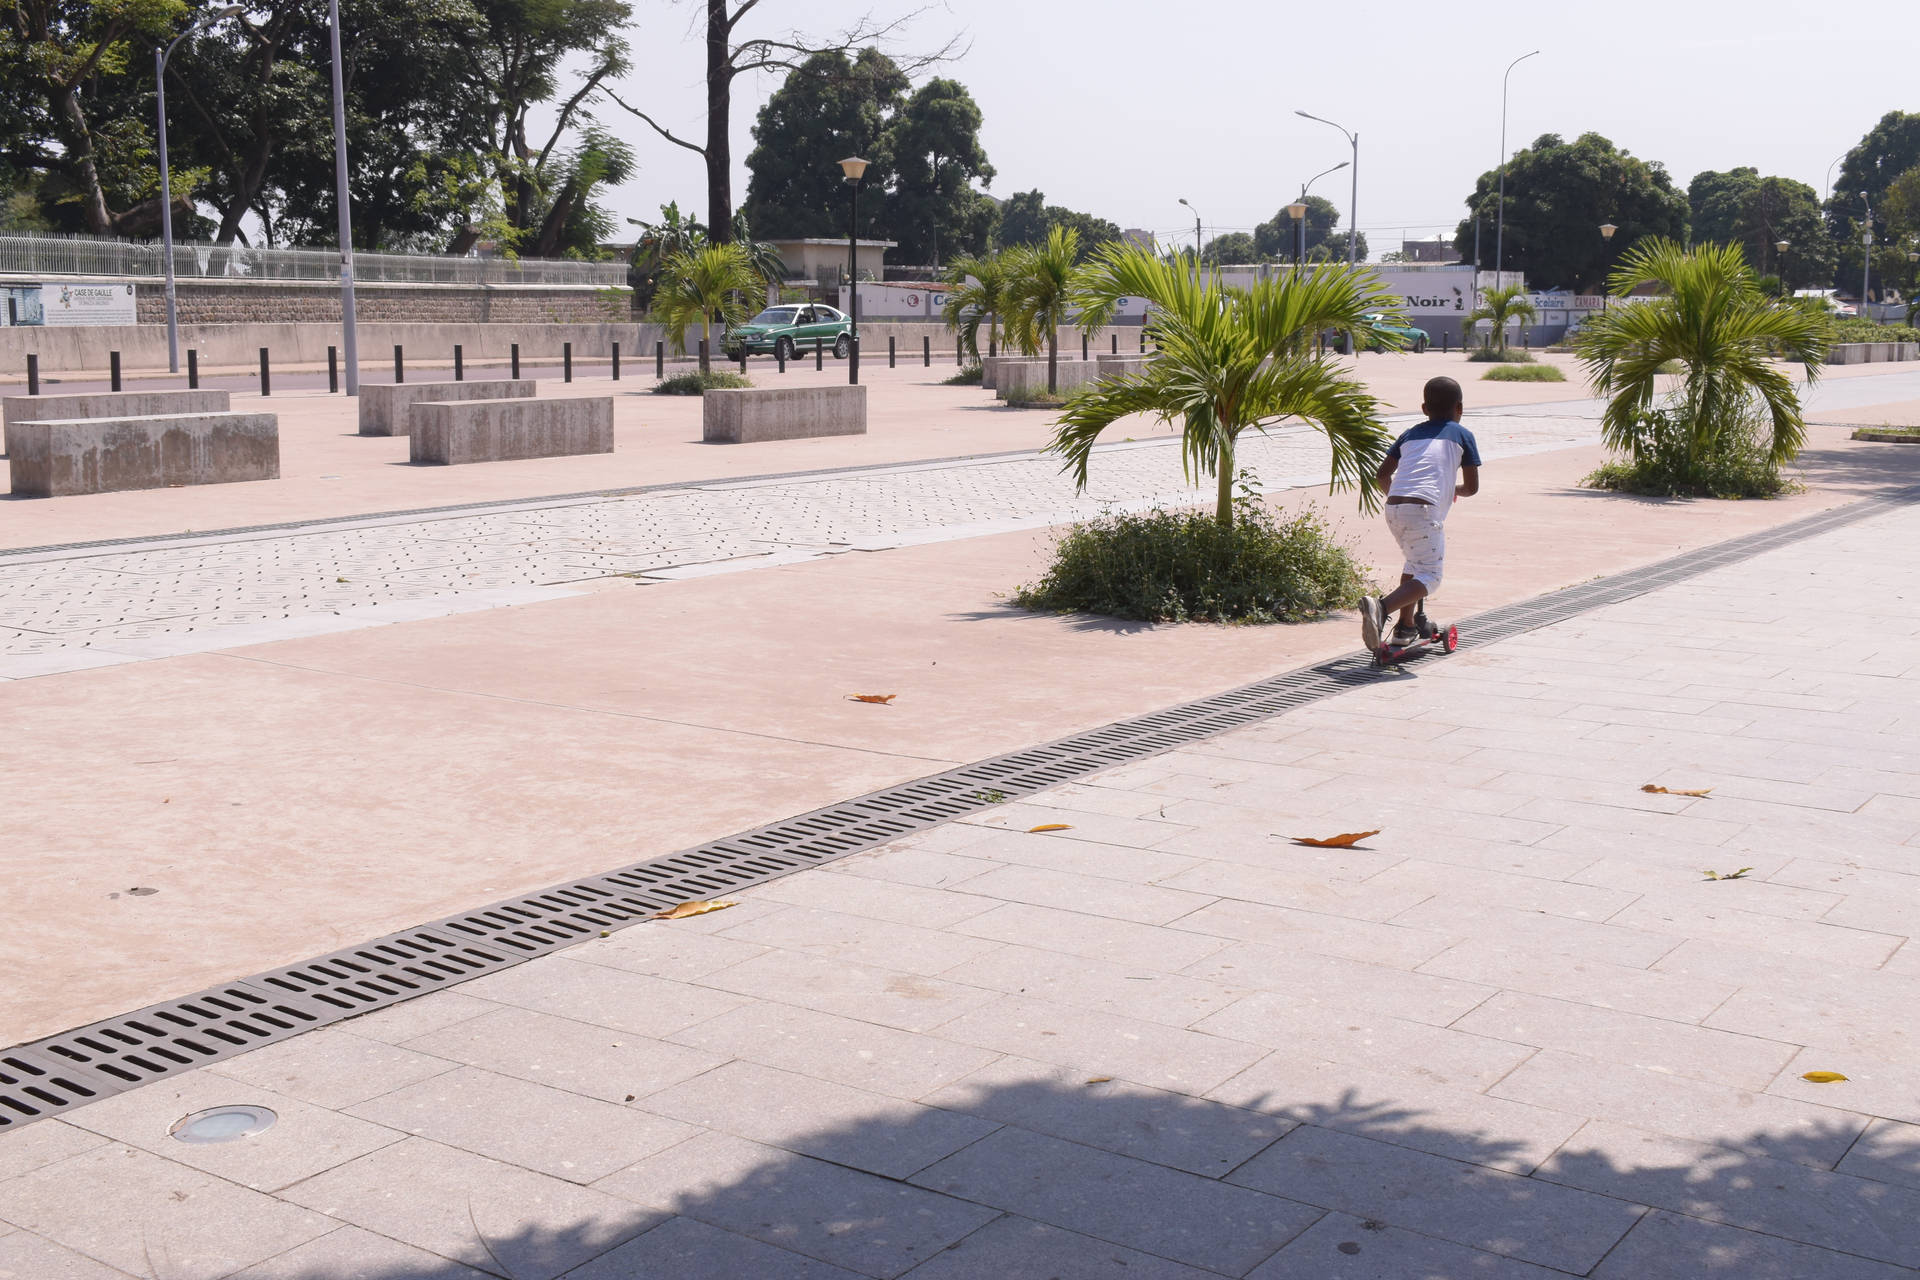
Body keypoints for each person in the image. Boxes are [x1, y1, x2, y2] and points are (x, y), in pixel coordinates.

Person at [1359, 376, 1481, 652]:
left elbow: (1382, 475)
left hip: (1393, 508)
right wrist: (1453, 490)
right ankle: (1381, 607)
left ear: (1424, 408)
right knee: (1430, 575)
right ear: (1459, 408)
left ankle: (1406, 626)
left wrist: (1399, 498)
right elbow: (1471, 487)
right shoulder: (1462, 435)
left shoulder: (1410, 433)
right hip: (1423, 510)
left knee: (1413, 565)